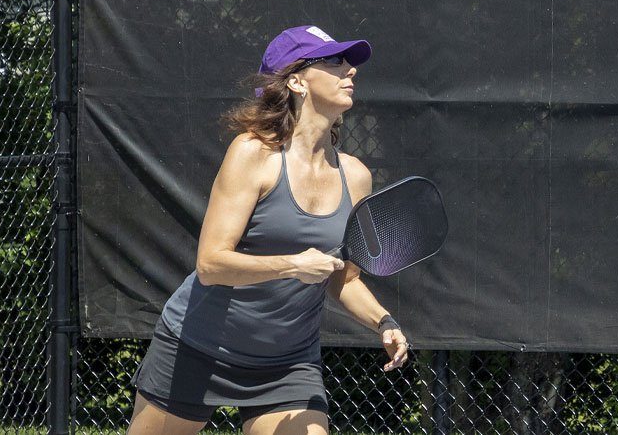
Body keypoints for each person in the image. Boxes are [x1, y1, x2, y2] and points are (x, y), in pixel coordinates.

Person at [127, 25, 411, 435]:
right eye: (334, 61)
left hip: (287, 364)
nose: (350, 71)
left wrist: (384, 322)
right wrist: (292, 265)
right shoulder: (252, 154)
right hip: (198, 347)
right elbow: (211, 264)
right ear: (296, 81)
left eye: (349, 63)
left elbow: (342, 278)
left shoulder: (357, 177)